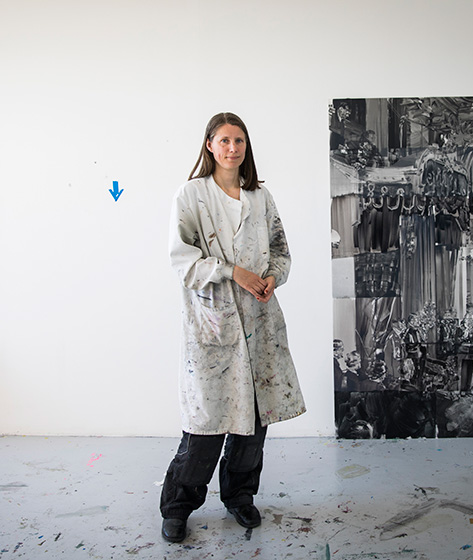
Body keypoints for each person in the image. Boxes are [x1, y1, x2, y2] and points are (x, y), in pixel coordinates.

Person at [159, 112, 306, 543]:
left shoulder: (260, 197)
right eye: (223, 140)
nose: (232, 148)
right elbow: (180, 258)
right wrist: (232, 272)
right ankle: (178, 506)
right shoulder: (191, 195)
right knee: (206, 423)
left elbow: (280, 248)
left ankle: (240, 497)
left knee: (255, 421)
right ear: (209, 145)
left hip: (260, 320)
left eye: (239, 140)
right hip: (213, 321)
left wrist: (273, 276)